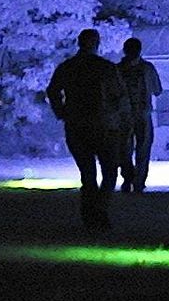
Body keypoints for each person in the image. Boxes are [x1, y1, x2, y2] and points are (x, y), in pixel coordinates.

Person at [46, 29, 131, 230]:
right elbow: (120, 96)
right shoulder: (105, 68)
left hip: (76, 125)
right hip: (102, 126)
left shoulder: (68, 67)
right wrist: (117, 117)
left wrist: (62, 112)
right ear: (97, 43)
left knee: (88, 173)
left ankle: (90, 213)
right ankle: (99, 210)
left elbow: (53, 91)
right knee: (109, 171)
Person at [117, 37, 163, 194]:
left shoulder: (118, 70)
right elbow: (157, 90)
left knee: (124, 148)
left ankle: (129, 178)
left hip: (125, 115)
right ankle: (137, 180)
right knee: (142, 147)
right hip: (141, 114)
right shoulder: (147, 68)